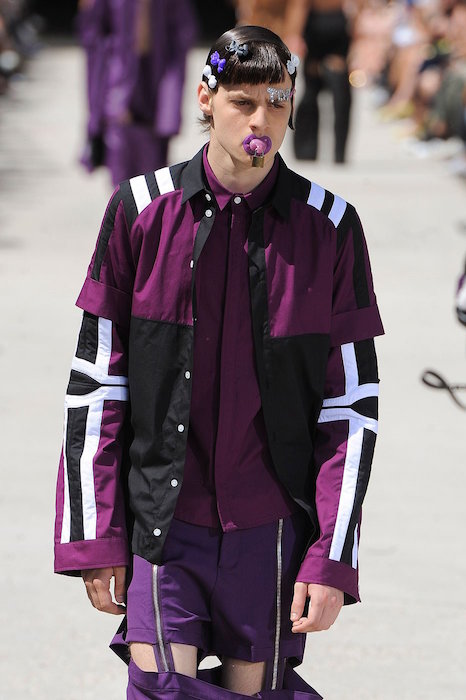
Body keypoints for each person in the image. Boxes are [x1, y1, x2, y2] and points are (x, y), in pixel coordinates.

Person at [54, 25, 384, 699]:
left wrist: (331, 557)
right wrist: (94, 535)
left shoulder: (330, 226)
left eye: (277, 100)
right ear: (206, 99)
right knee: (163, 689)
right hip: (161, 520)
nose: (261, 120)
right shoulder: (139, 211)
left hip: (268, 527)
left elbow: (351, 406)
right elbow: (97, 383)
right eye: (242, 100)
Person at [77, 0, 198, 185]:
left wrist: (170, 106)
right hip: (118, 85)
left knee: (153, 179)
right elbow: (94, 33)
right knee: (120, 171)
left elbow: (182, 33)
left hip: (155, 84)